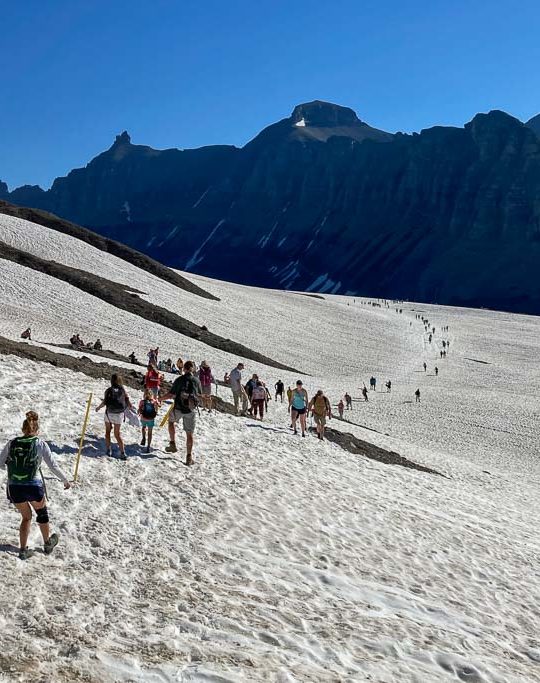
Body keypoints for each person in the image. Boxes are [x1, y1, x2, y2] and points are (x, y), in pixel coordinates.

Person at [0, 411, 71, 560]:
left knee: (26, 517)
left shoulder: (12, 442)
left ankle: (23, 550)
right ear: (37, 429)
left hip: (15, 487)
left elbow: (1, 463)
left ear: (23, 429)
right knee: (42, 514)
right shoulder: (40, 443)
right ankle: (47, 544)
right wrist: (65, 480)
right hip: (33, 485)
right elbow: (53, 466)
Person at [162, 361, 202, 466]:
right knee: (189, 434)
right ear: (193, 369)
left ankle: (173, 443)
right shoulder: (196, 381)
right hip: (190, 410)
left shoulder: (179, 380)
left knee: (171, 422)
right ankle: (189, 457)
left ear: (184, 368)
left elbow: (171, 394)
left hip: (178, 408)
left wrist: (160, 399)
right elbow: (199, 395)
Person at [95, 374, 132, 460]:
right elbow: (127, 400)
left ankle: (109, 450)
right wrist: (130, 406)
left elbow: (105, 401)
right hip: (119, 414)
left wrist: (98, 407)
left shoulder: (108, 390)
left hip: (109, 414)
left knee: (108, 432)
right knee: (117, 434)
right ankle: (123, 453)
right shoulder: (122, 389)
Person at [138, 388, 160, 453]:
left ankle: (144, 437)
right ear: (152, 394)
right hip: (151, 419)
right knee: (150, 433)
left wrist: (139, 411)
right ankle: (148, 446)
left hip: (144, 417)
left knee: (143, 427)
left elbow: (139, 409)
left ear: (144, 394)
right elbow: (159, 406)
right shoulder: (154, 401)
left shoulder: (142, 402)